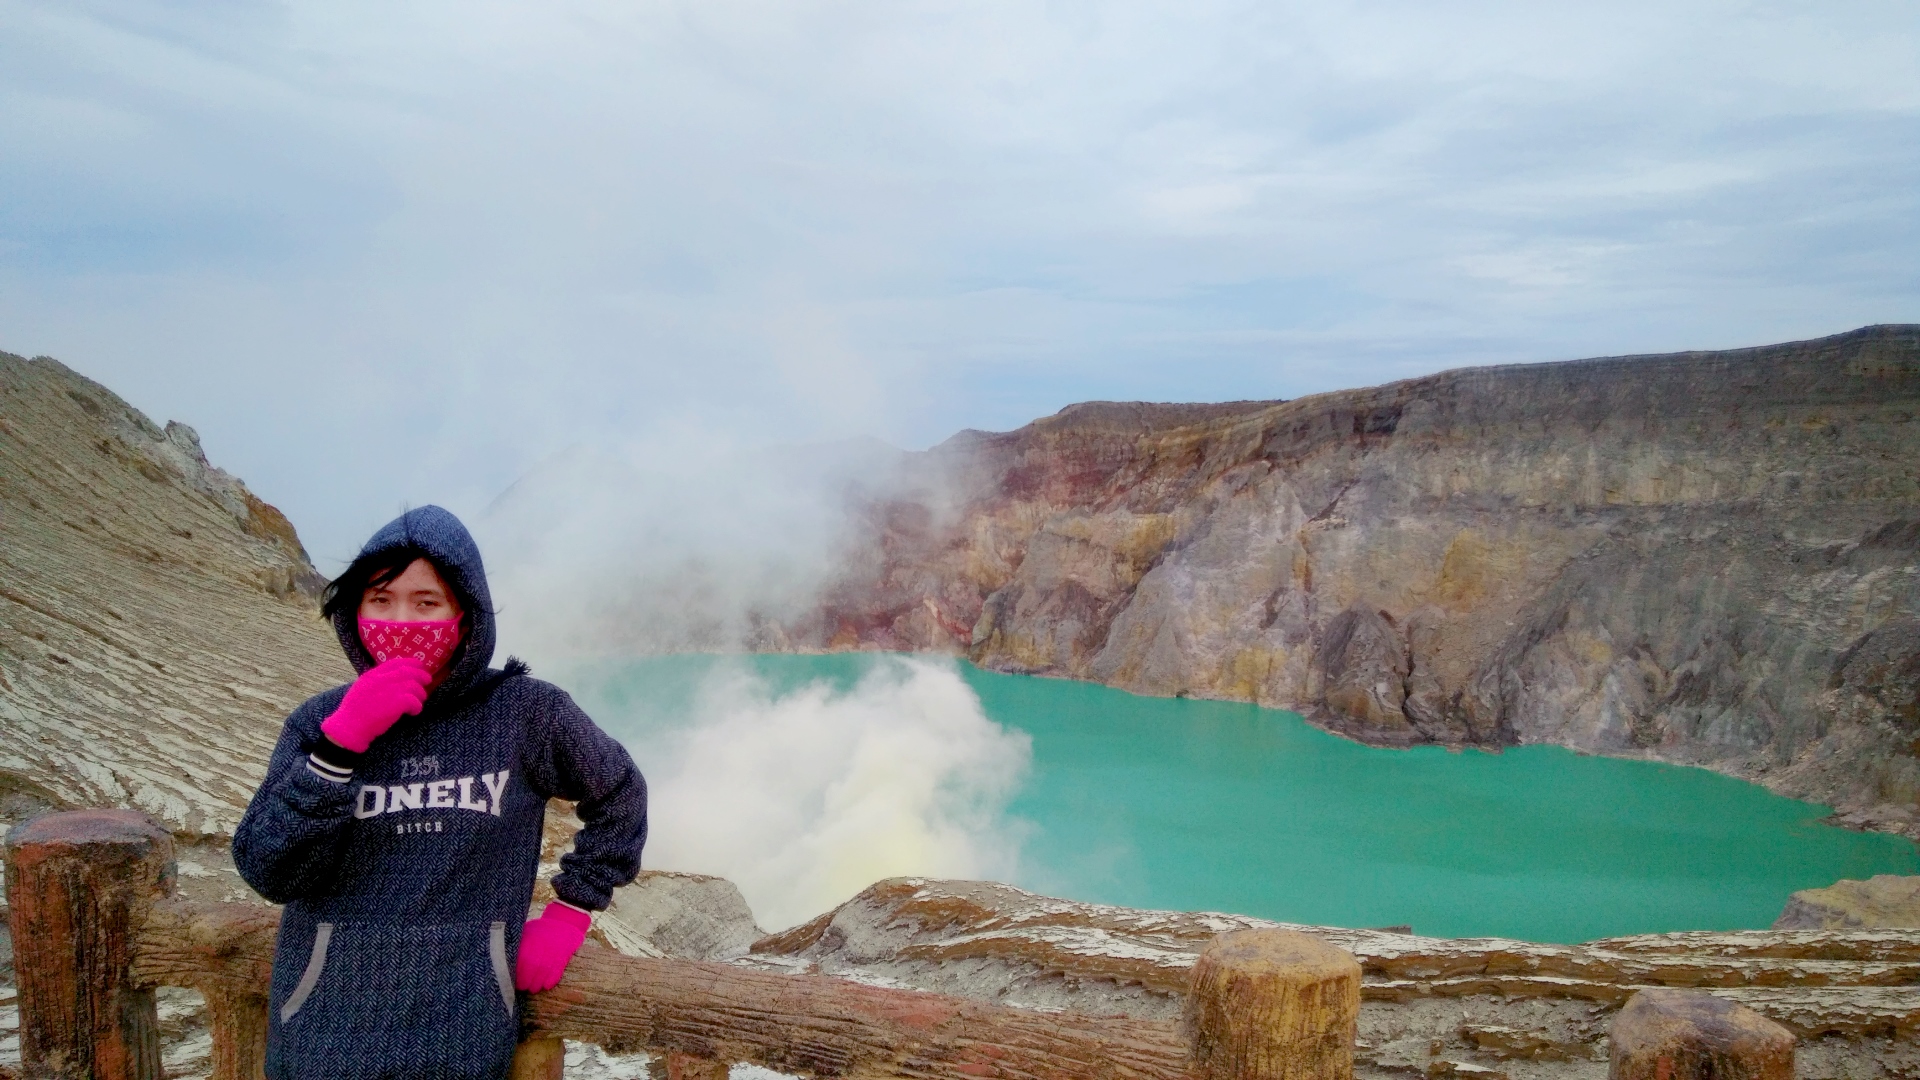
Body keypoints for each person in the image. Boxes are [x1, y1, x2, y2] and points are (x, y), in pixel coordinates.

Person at [233, 505, 647, 1080]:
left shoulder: (527, 713)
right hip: (321, 1039)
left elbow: (620, 793)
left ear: (464, 615)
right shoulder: (321, 721)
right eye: (380, 600)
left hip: (464, 1037)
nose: (400, 621)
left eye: (426, 603)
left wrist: (570, 913)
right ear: (355, 611)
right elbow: (269, 872)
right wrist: (339, 748)